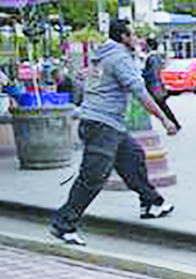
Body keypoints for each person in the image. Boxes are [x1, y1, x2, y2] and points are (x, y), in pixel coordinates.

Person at [50, 20, 180, 246]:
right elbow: (140, 92)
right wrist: (165, 120)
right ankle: (64, 223)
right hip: (103, 125)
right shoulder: (119, 58)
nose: (137, 39)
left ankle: (150, 202)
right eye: (133, 35)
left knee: (133, 157)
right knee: (93, 177)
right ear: (123, 37)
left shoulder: (101, 55)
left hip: (108, 124)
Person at [142, 38, 180, 129]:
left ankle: (173, 123)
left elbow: (152, 72)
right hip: (156, 84)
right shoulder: (156, 57)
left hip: (154, 85)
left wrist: (142, 74)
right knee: (161, 105)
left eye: (145, 44)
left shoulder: (152, 57)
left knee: (159, 105)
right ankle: (173, 123)